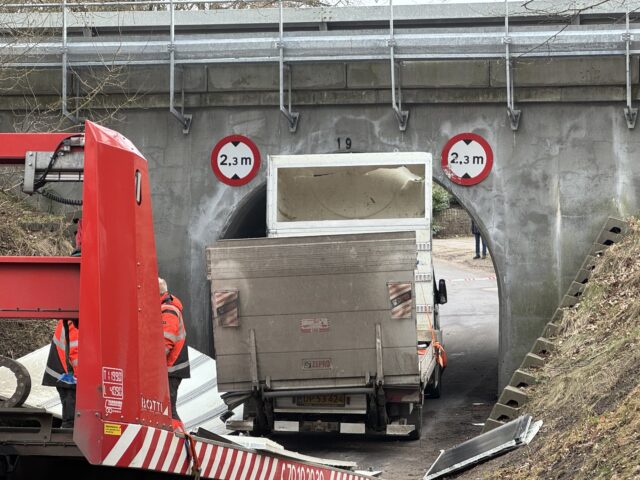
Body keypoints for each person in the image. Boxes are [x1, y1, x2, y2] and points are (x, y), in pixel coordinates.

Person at [159, 277, 190, 429]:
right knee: (168, 410)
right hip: (172, 368)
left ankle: (179, 438)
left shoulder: (168, 309)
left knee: (170, 411)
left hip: (171, 368)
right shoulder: (167, 307)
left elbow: (166, 341)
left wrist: (152, 366)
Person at [42, 318, 79, 428]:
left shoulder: (71, 319)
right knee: (71, 407)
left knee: (71, 404)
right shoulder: (75, 322)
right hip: (67, 373)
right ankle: (69, 432)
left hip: (65, 371)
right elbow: (75, 352)